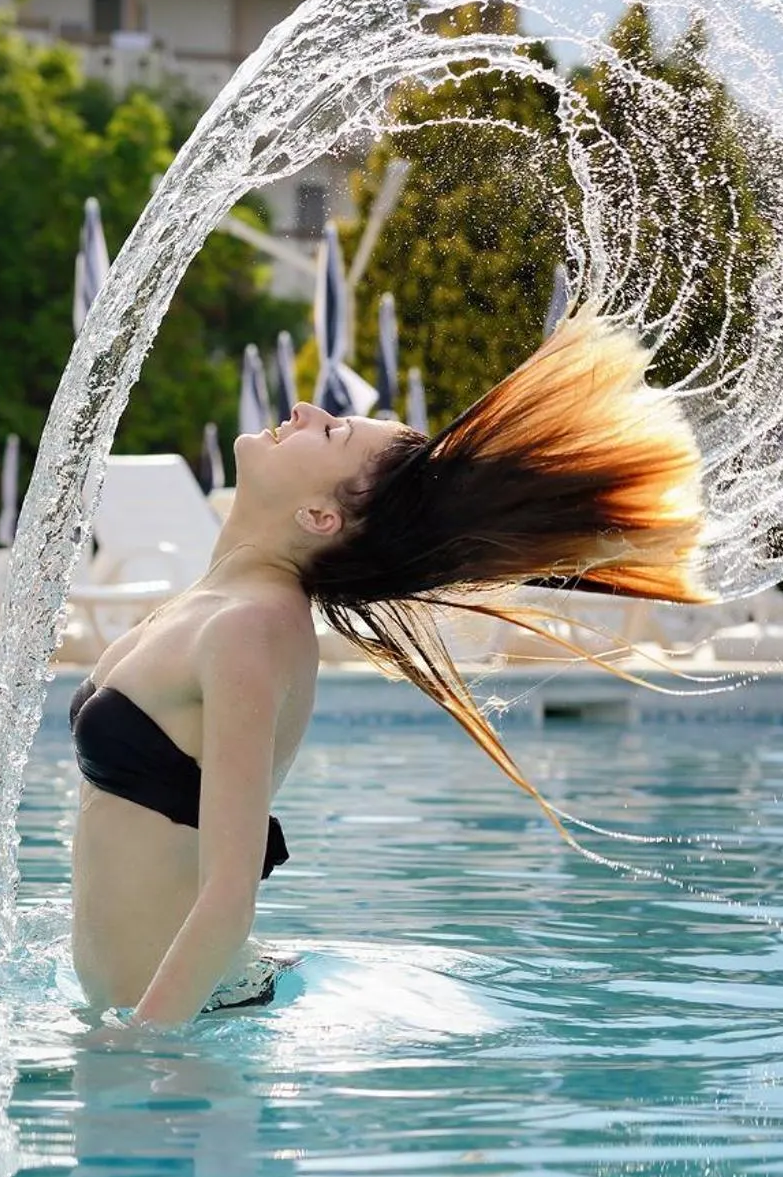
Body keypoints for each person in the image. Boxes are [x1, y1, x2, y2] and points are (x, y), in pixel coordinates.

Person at [70, 313, 712, 1028]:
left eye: (332, 432)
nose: (309, 411)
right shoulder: (217, 601)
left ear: (318, 516)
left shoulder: (249, 628)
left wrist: (140, 1052)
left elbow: (228, 892)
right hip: (160, 1014)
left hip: (188, 1031)